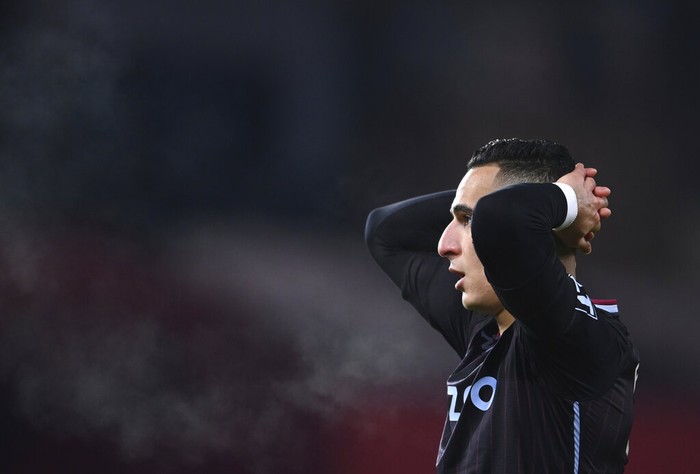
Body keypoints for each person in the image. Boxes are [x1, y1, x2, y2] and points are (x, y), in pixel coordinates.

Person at [364, 138, 639, 473]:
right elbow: (385, 232)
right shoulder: (484, 327)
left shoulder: (577, 336)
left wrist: (564, 201)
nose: (444, 245)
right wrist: (556, 198)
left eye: (467, 221)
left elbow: (501, 216)